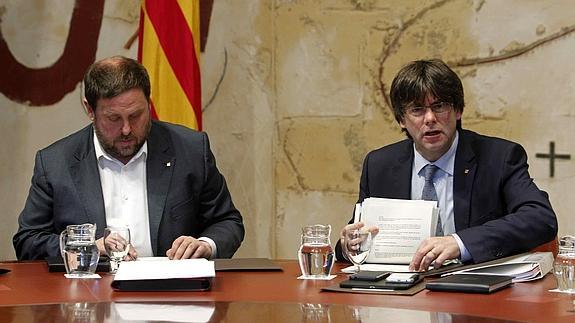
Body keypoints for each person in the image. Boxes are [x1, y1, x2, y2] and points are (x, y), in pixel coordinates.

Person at [13, 56, 245, 260]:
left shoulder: (190, 149)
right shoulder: (55, 163)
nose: (126, 129)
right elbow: (27, 241)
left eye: (136, 115)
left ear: (149, 103)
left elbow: (227, 222)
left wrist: (205, 245)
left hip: (173, 293)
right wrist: (89, 248)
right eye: (113, 118)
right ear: (89, 110)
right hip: (89, 296)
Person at [335, 59, 557, 271]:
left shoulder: (498, 158)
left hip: (472, 291)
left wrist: (459, 243)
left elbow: (540, 218)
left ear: (458, 111)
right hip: (401, 295)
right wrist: (348, 245)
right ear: (402, 119)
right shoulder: (379, 165)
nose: (430, 118)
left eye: (439, 106)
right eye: (417, 110)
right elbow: (356, 238)